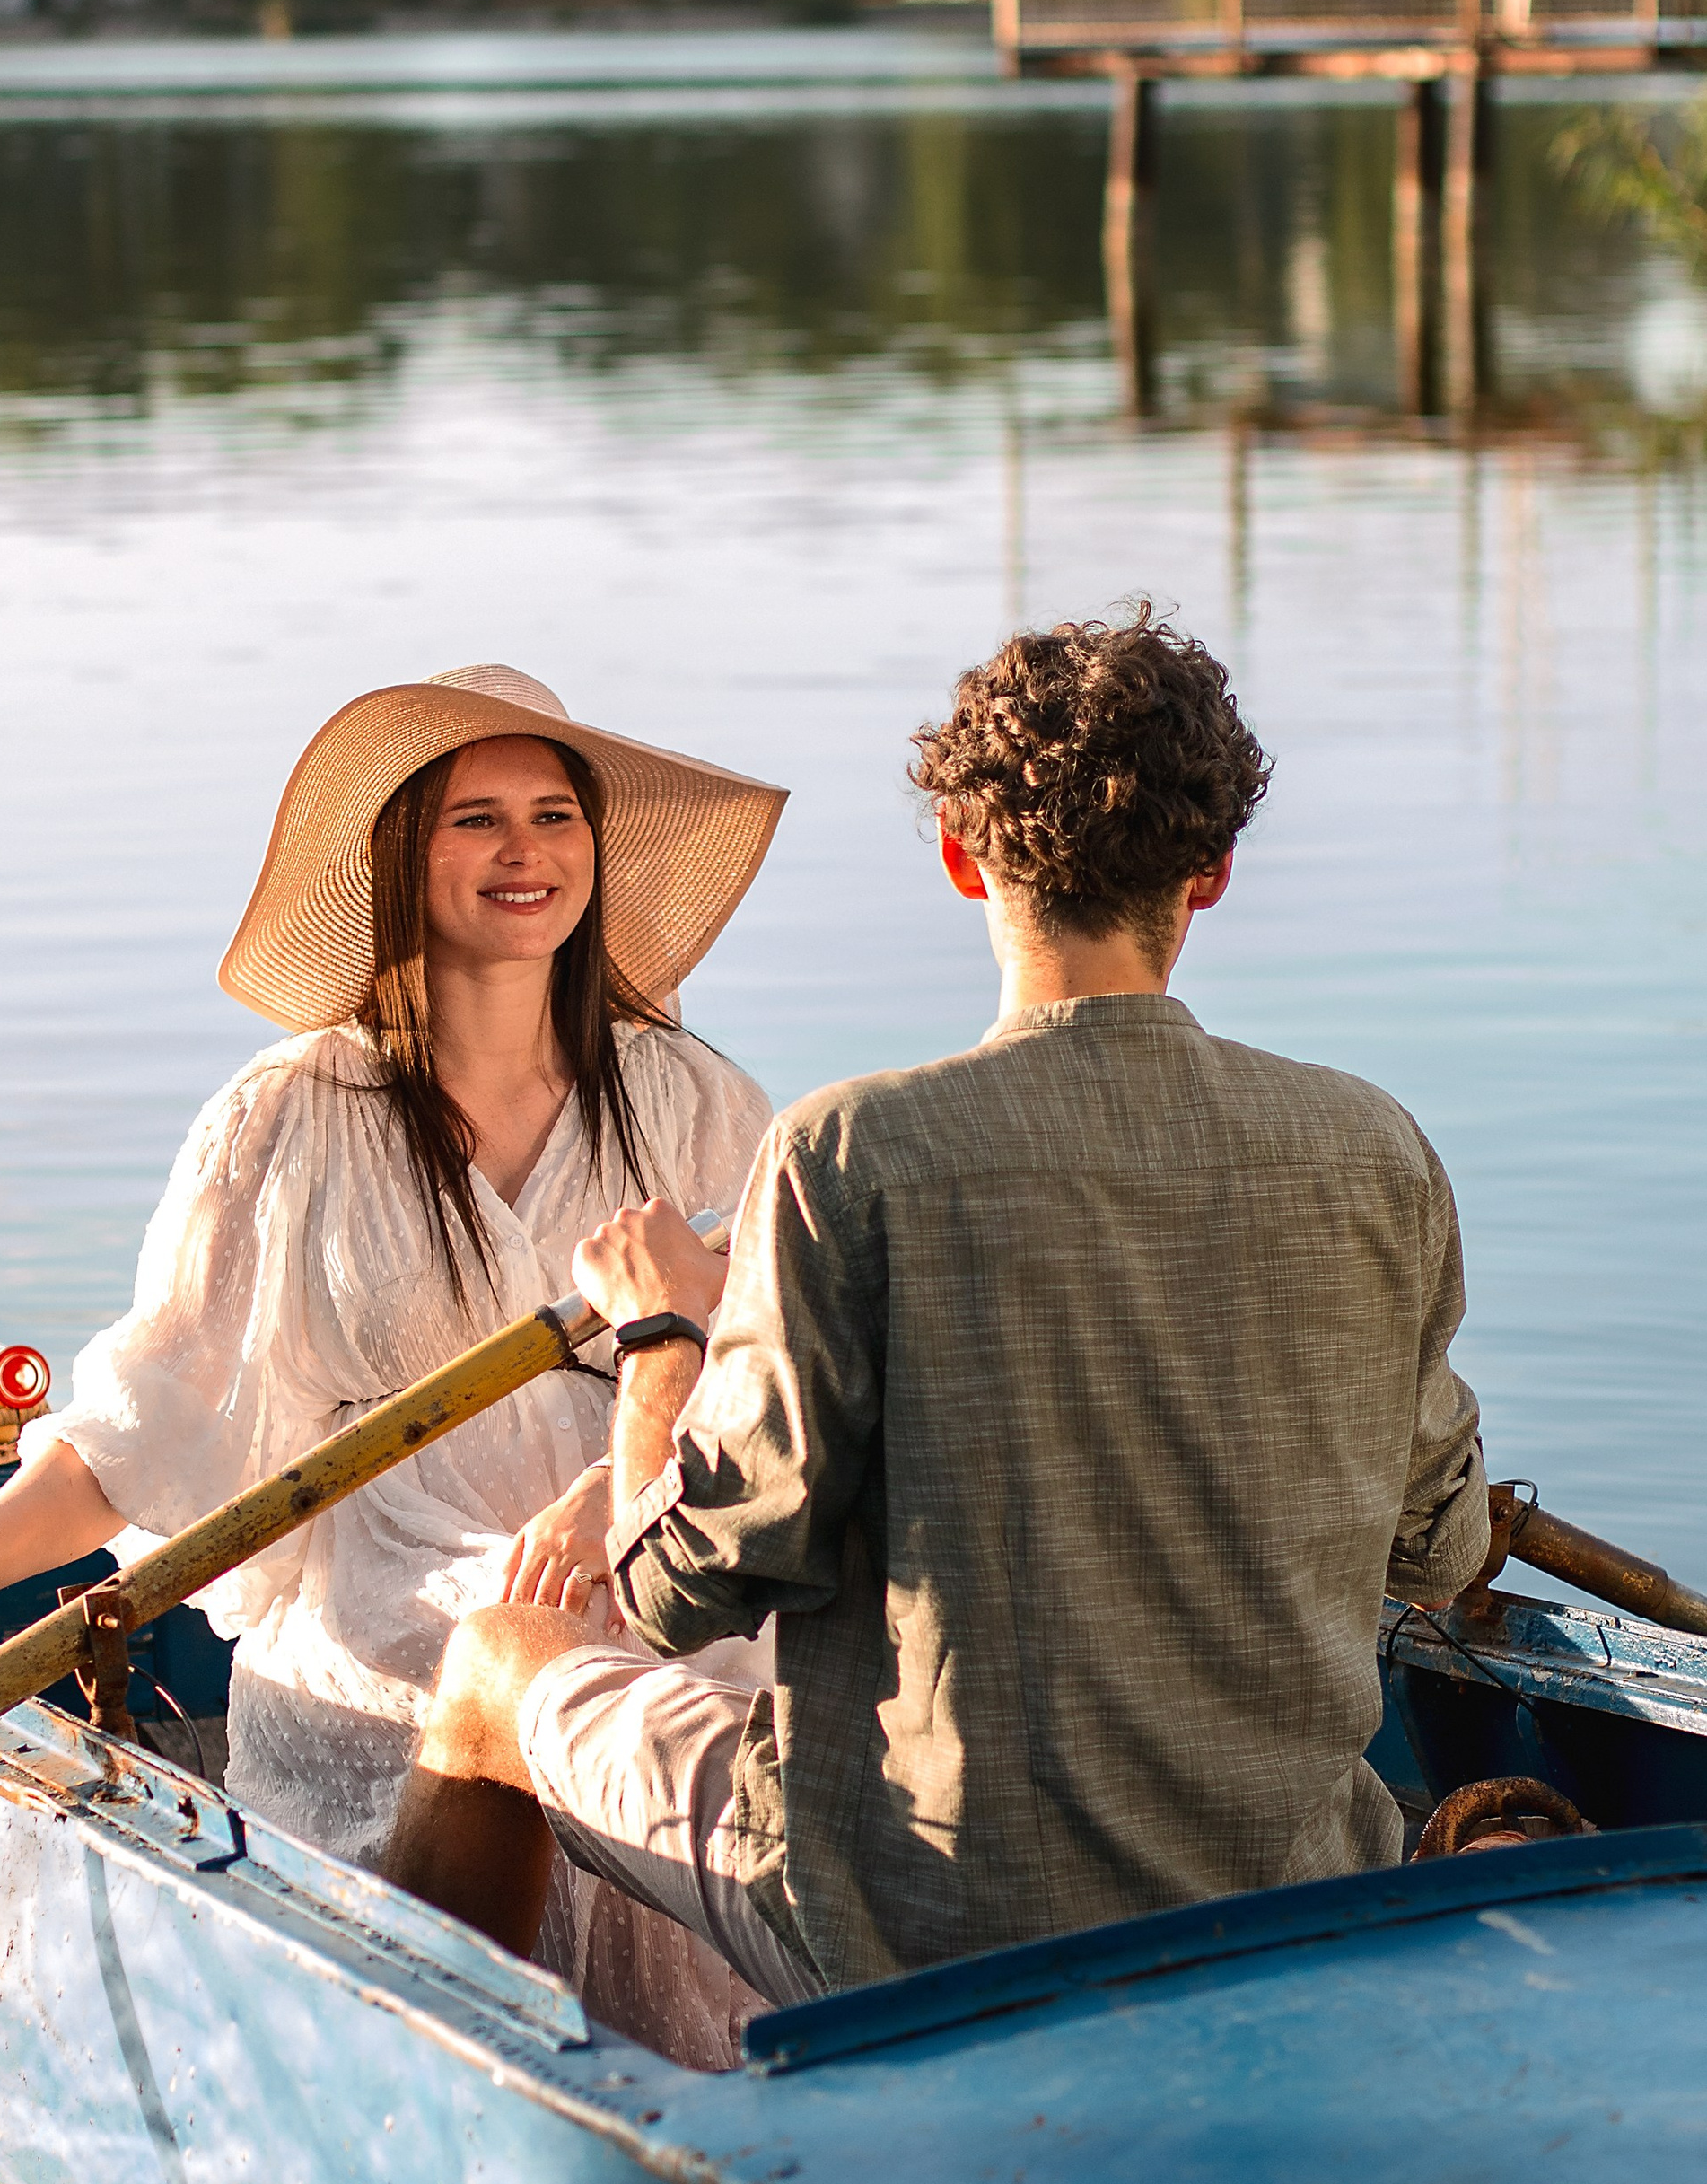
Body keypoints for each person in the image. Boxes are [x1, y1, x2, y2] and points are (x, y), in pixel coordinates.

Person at [386, 610, 1492, 2011]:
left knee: (499, 1661)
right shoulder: (1376, 1152)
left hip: (918, 1927)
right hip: (1298, 1896)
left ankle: (419, 2127)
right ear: (1211, 875)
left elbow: (674, 1594)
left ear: (966, 859)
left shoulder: (850, 1156)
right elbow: (1442, 1549)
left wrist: (668, 1332)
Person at [0, 663, 783, 2061]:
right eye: (477, 821)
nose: (526, 853)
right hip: (391, 1590)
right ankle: (453, 2055)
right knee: (501, 1651)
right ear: (404, 861)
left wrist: (605, 1502)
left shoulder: (696, 1099)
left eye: (556, 816)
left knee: (719, 1667)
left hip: (648, 1544)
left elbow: (766, 1394)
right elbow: (147, 1423)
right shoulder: (286, 1115)